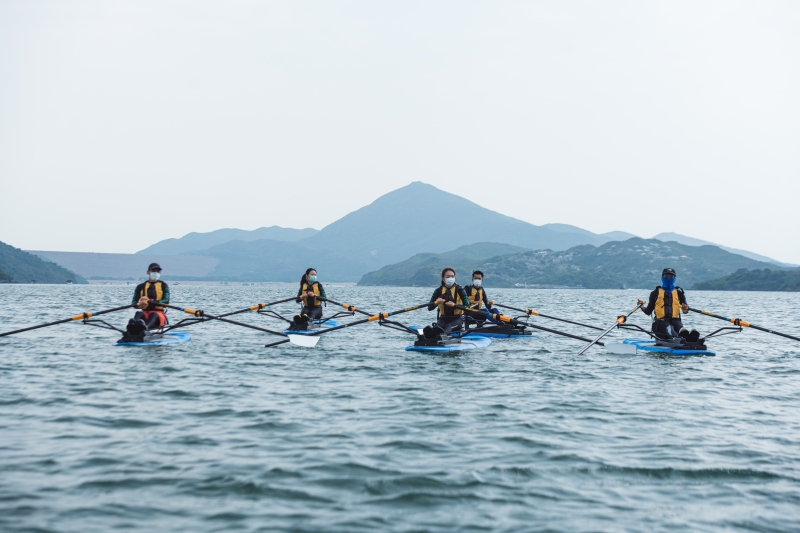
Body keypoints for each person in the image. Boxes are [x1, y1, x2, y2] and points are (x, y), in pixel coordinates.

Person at [637, 267, 699, 342]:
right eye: (666, 276)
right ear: (662, 277)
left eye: (671, 276)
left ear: (674, 278)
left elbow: (685, 311)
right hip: (660, 324)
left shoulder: (679, 293)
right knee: (669, 327)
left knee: (680, 328)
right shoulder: (655, 293)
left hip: (675, 321)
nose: (669, 278)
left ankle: (688, 338)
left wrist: (685, 309)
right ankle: (679, 339)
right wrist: (642, 306)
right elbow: (648, 311)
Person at [126, 263, 170, 336]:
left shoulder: (164, 286)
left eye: (158, 271)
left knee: (154, 314)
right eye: (153, 271)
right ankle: (132, 327)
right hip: (145, 313)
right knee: (138, 313)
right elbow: (134, 303)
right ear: (148, 272)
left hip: (158, 315)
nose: (155, 273)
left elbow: (166, 301)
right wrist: (140, 304)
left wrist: (151, 301)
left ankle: (146, 328)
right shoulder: (140, 287)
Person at [426, 267, 470, 335]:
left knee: (448, 327)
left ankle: (442, 338)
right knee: (437, 328)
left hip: (457, 319)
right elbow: (429, 308)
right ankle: (430, 336)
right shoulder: (438, 291)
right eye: (448, 276)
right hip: (443, 318)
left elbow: (467, 307)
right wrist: (436, 303)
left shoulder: (460, 290)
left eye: (452, 276)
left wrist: (455, 305)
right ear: (443, 279)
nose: (450, 278)